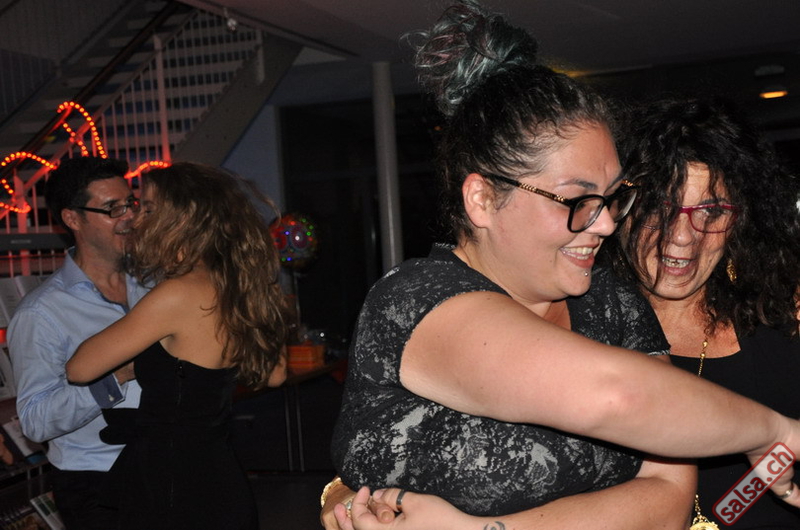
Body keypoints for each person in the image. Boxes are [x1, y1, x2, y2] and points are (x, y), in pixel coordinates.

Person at [326, 1, 800, 529]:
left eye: (612, 198)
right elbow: (615, 396)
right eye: (577, 200)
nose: (606, 223)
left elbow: (668, 498)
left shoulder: (613, 304)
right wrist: (775, 431)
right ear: (482, 199)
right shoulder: (416, 297)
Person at [604, 96, 800, 528]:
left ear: (742, 220)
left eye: (711, 211)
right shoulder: (575, 334)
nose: (682, 237)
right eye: (660, 207)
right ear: (620, 210)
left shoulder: (784, 326)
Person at [65, 162, 289, 530]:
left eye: (149, 208)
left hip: (172, 484)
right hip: (218, 473)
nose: (136, 219)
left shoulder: (177, 293)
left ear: (183, 219)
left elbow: (79, 368)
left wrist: (134, 360)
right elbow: (276, 375)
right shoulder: (238, 286)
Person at [8, 156, 147, 530]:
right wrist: (116, 376)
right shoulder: (42, 312)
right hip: (96, 479)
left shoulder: (152, 286)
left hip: (164, 464)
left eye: (131, 204)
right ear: (72, 219)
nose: (129, 217)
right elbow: (35, 422)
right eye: (112, 209)